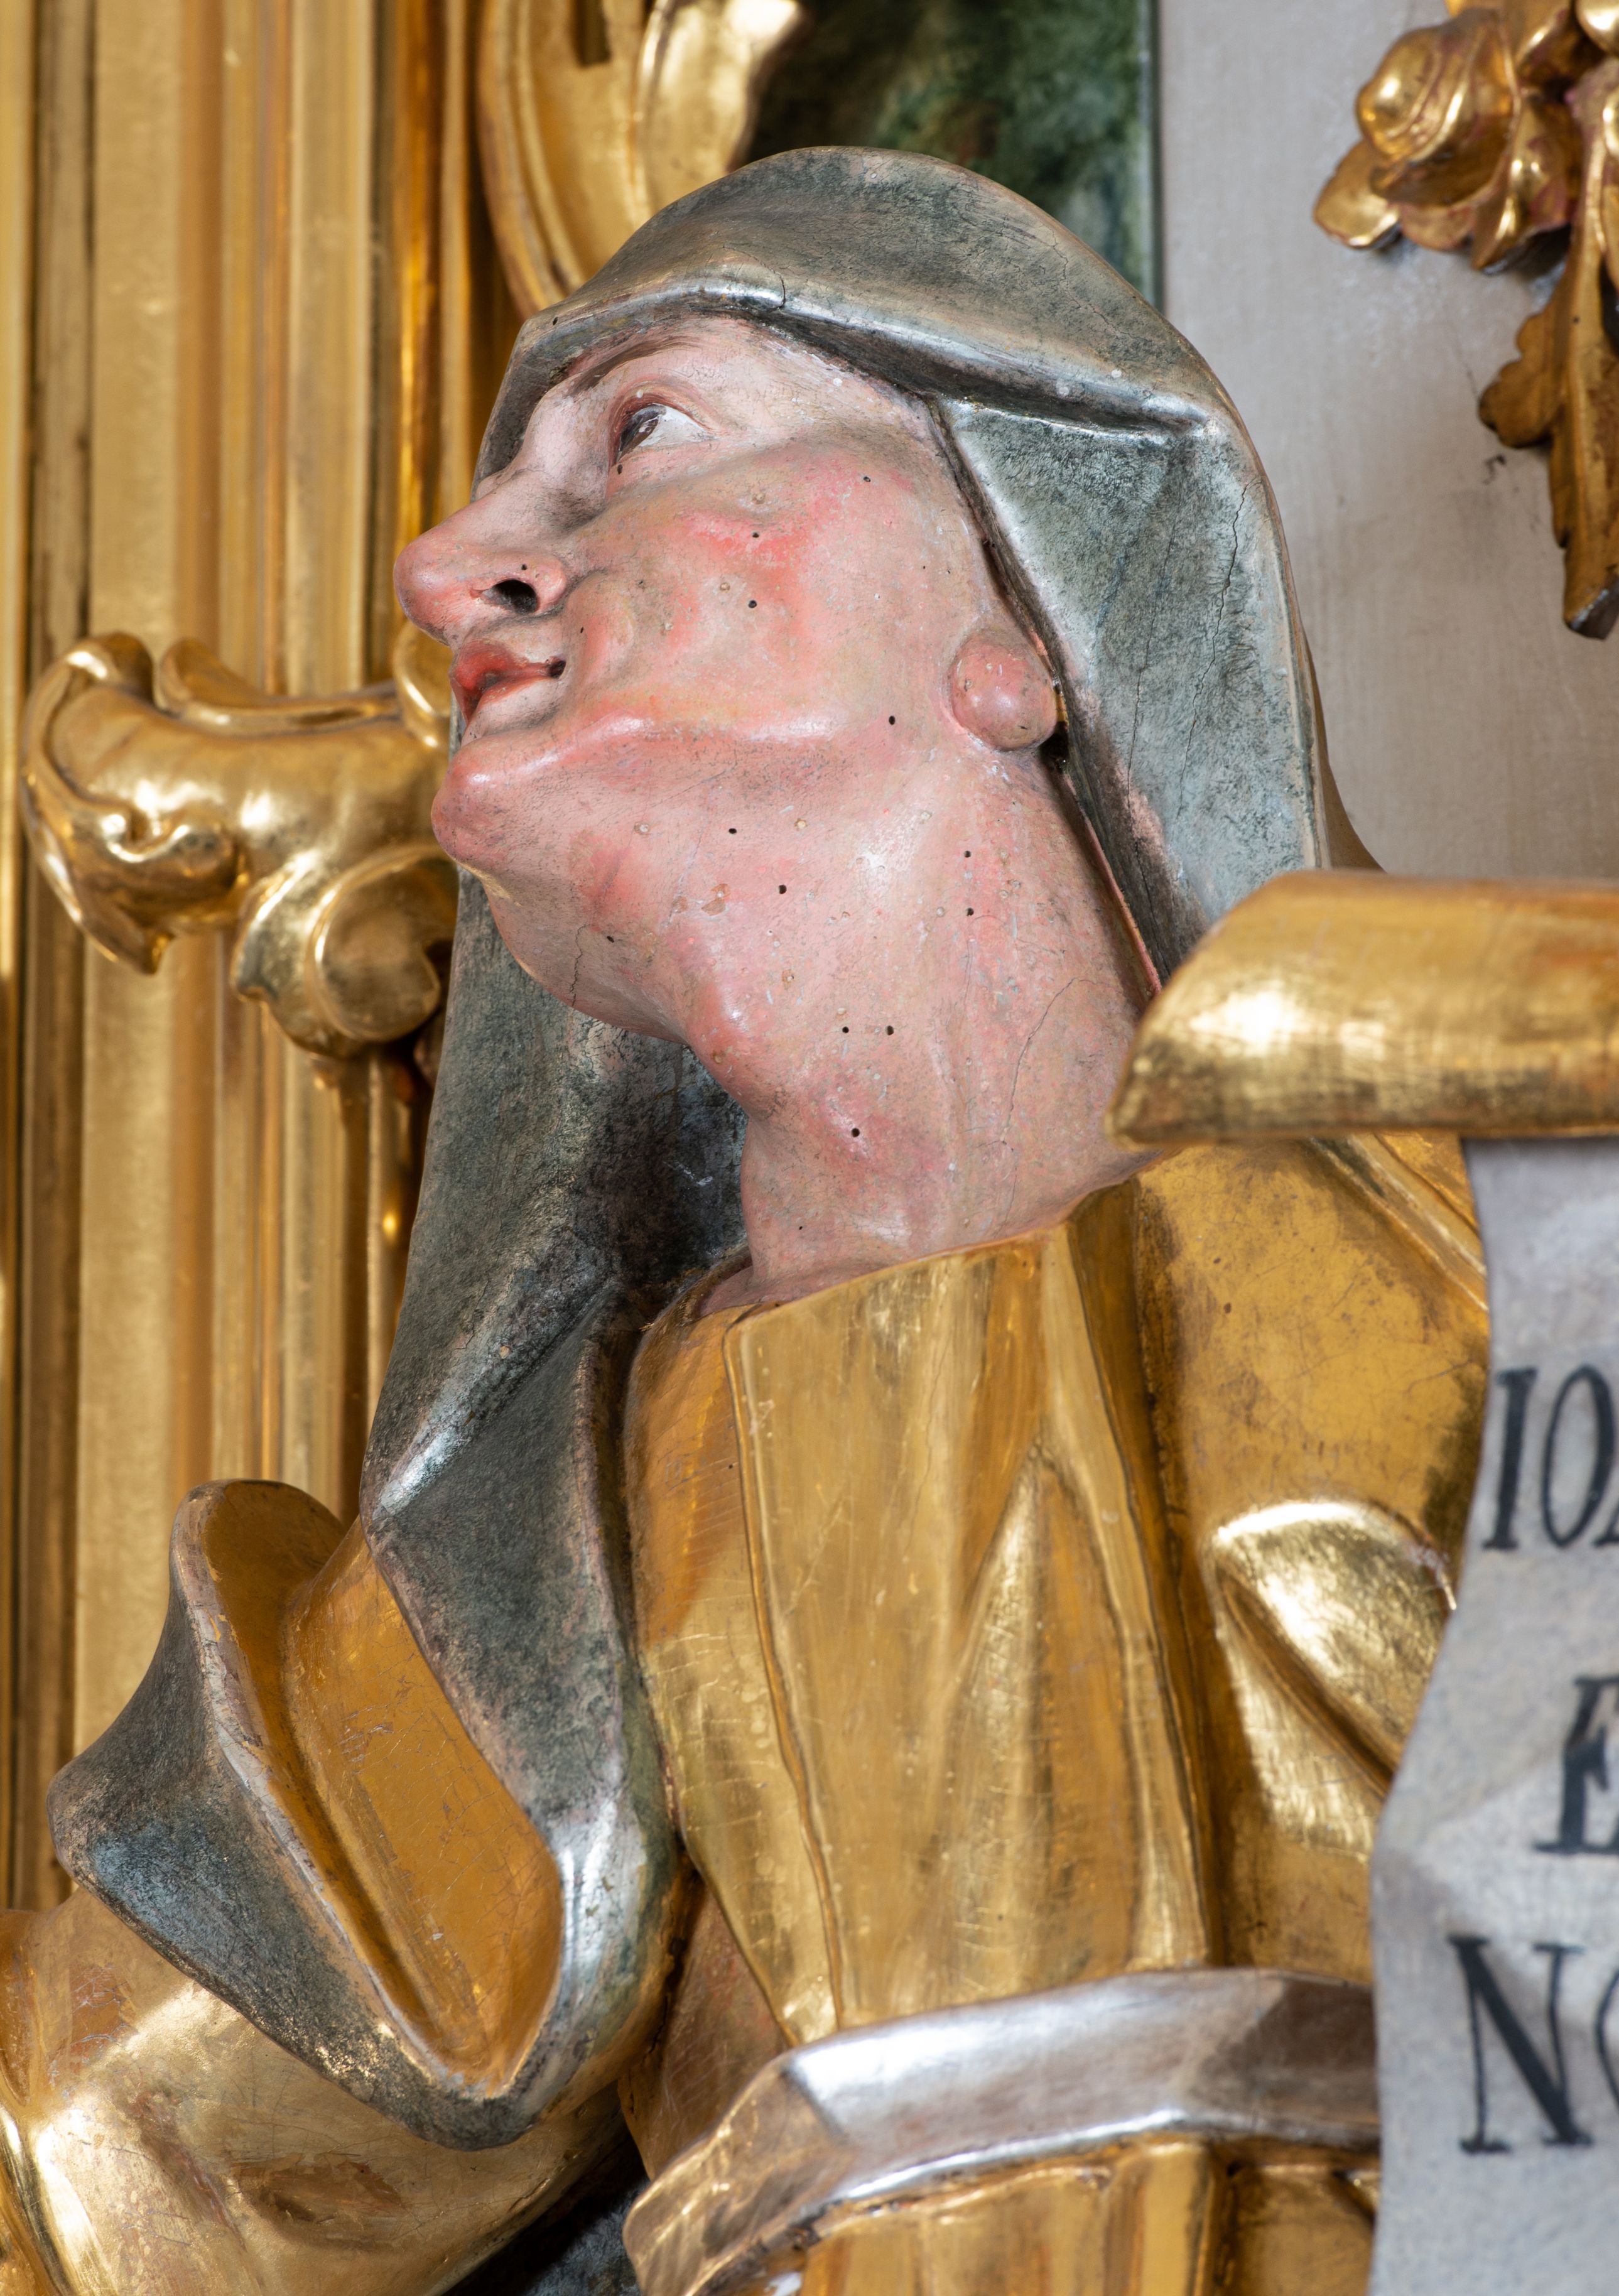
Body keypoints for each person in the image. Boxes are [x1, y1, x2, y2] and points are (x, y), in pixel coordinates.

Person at [4, 150, 1483, 2295]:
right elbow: (89, 2187)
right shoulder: (518, 1615)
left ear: (1022, 609)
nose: (447, 571)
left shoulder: (1476, 1261)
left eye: (642, 433)